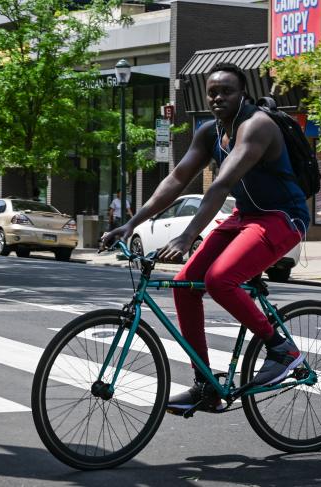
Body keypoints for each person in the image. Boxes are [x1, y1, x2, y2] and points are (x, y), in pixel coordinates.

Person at [102, 62, 309, 415]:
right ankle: (205, 386)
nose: (218, 97)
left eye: (227, 91)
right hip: (245, 217)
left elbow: (221, 185)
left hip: (281, 217)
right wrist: (131, 223)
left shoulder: (257, 125)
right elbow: (177, 179)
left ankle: (281, 349)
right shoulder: (210, 132)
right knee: (186, 284)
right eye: (213, 92)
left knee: (219, 280)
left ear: (242, 93)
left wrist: (187, 236)